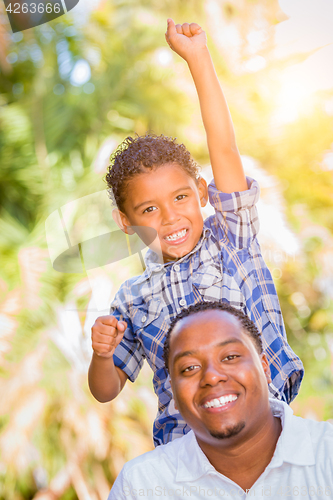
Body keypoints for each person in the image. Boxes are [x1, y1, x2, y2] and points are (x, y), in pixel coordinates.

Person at [88, 19, 303, 447]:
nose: (170, 217)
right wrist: (101, 353)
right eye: (149, 208)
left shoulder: (233, 240)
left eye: (180, 198)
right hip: (185, 454)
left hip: (266, 434)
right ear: (125, 222)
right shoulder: (132, 298)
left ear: (202, 192)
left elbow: (224, 147)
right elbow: (105, 389)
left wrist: (198, 57)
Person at [108, 302, 333, 500]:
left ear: (265, 368)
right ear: (173, 394)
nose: (212, 376)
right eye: (189, 368)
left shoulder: (327, 453)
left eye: (230, 357)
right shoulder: (139, 486)